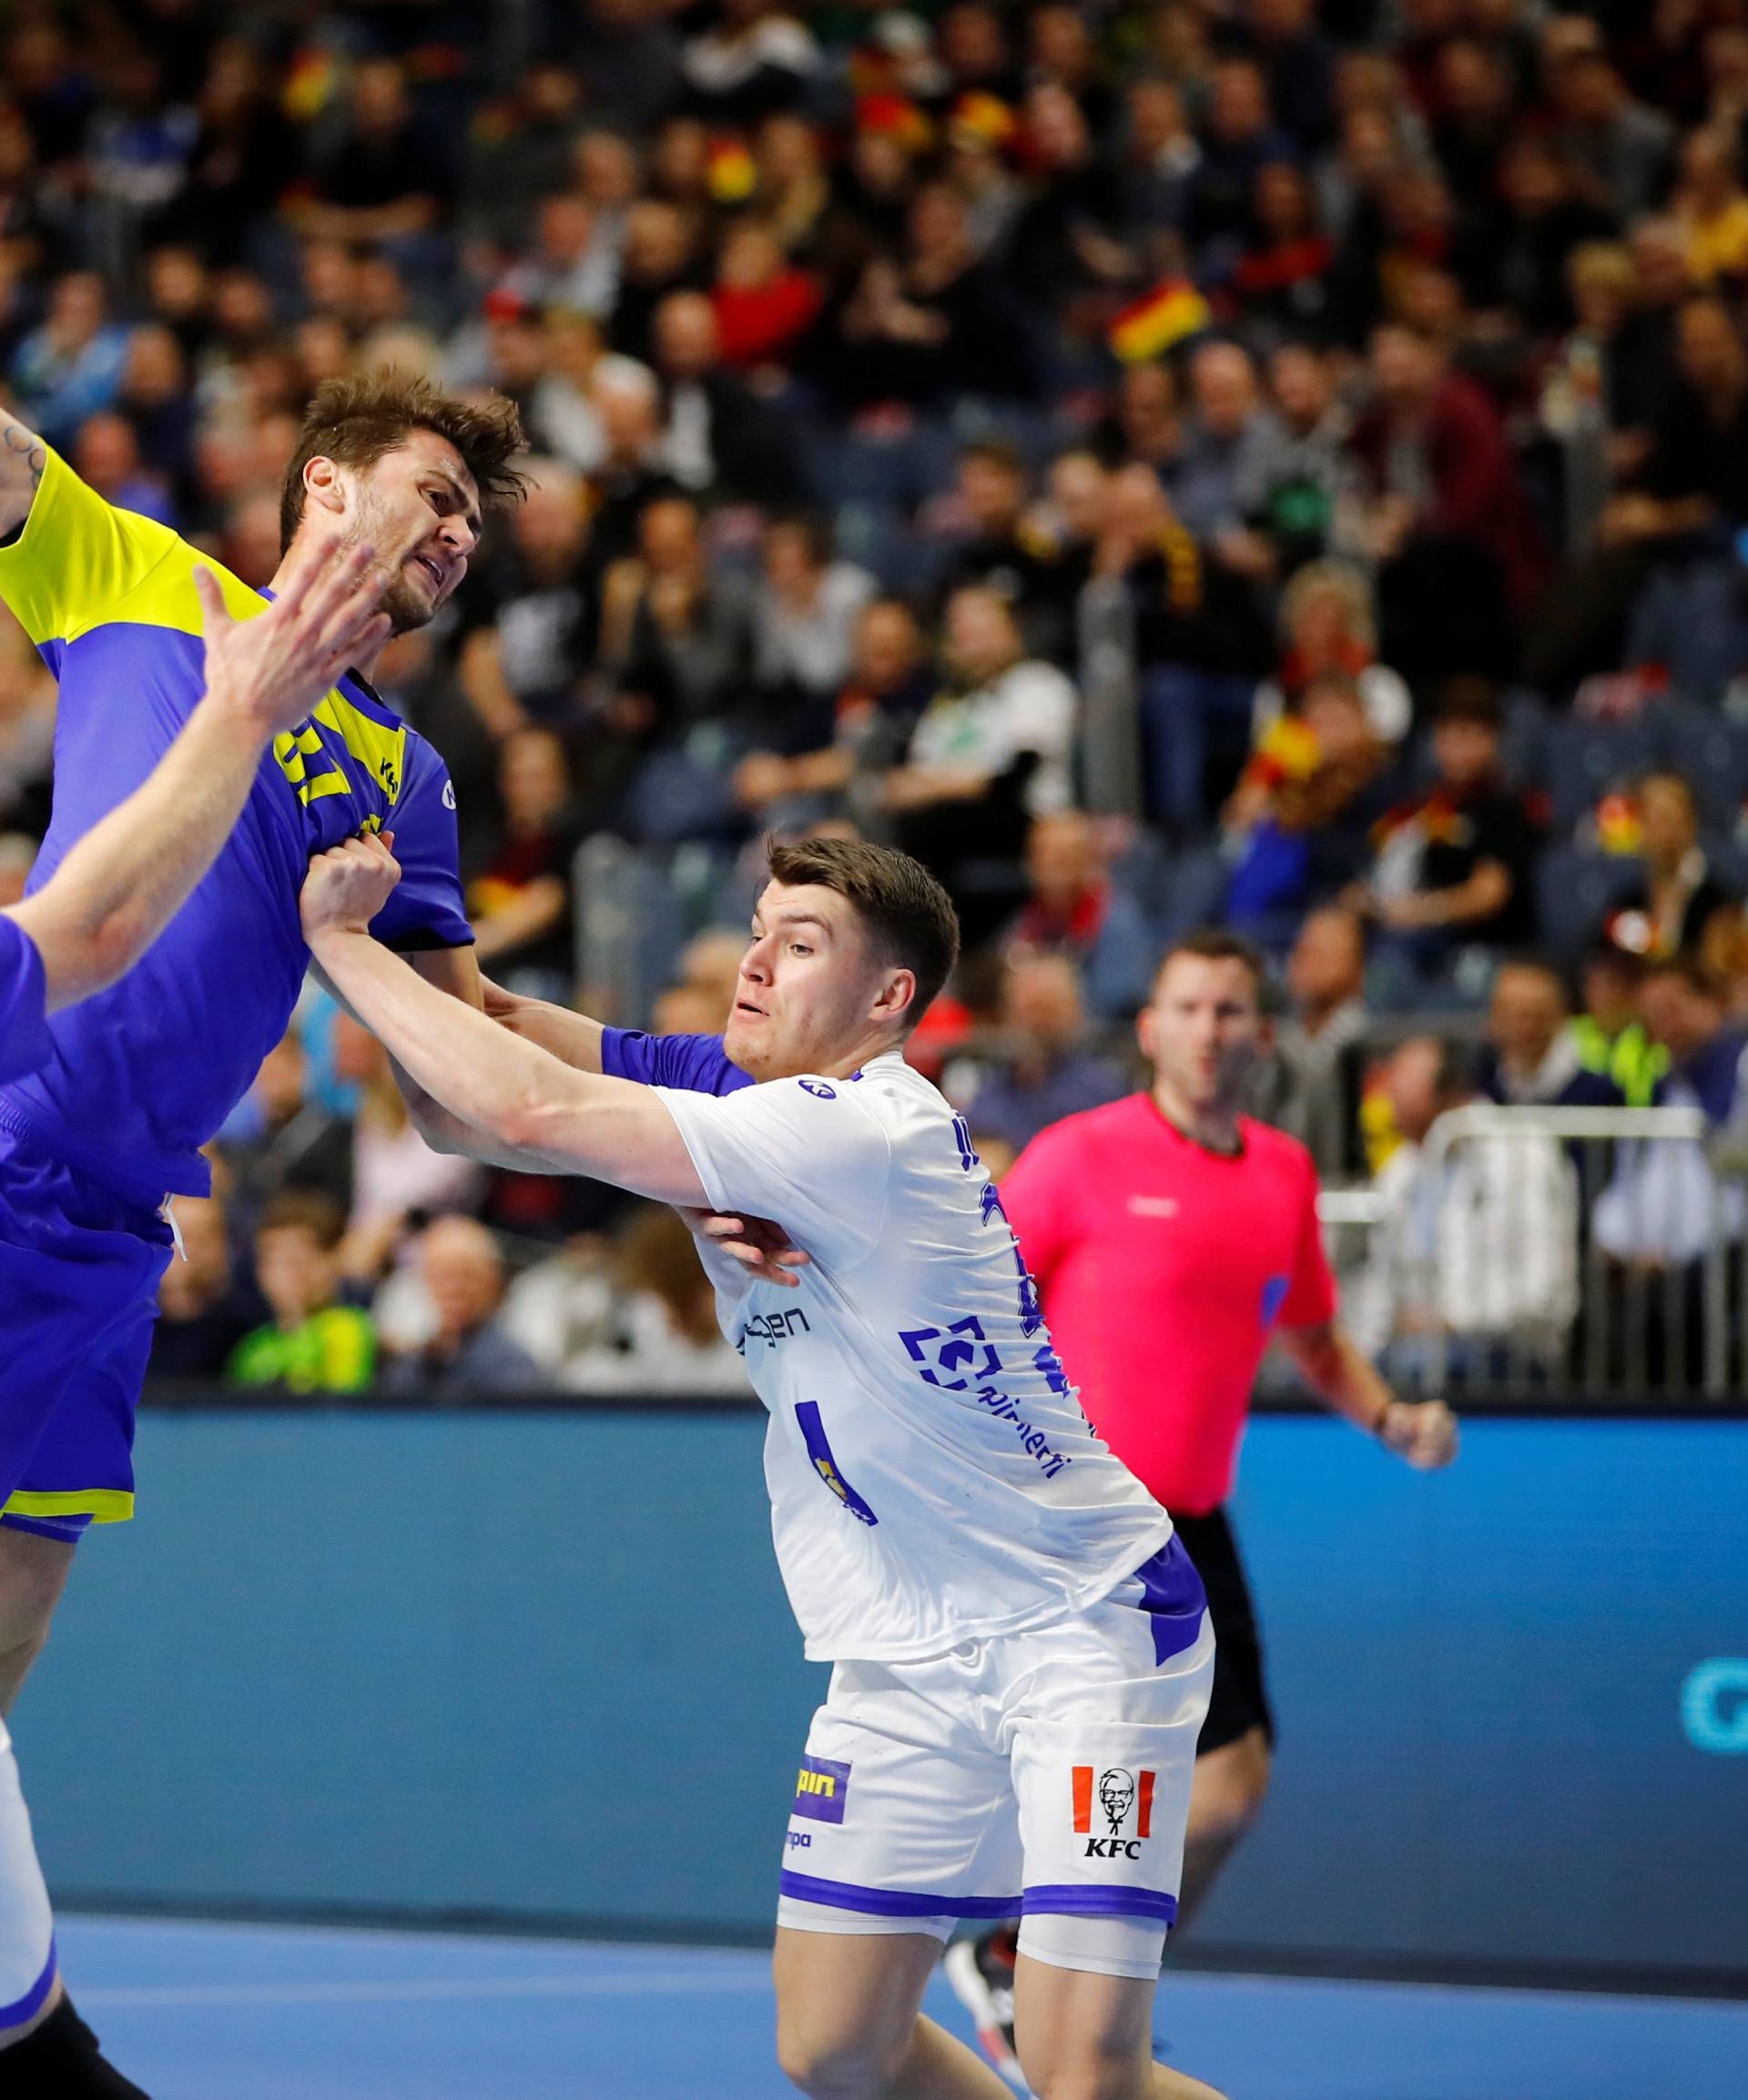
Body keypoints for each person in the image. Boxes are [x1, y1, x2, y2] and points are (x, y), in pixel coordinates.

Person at [302, 828, 1230, 2100]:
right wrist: (408, 873)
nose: (753, 963)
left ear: (885, 999)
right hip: (906, 1638)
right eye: (756, 930)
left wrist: (336, 938)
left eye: (800, 947)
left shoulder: (862, 1129)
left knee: (1086, 2073)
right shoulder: (732, 1092)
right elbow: (480, 1056)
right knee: (836, 2046)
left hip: (1081, 1623)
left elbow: (520, 1102)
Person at [0, 369, 523, 2096]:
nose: (455, 534)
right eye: (434, 490)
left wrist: (710, 1117)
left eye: (473, 523)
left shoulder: (405, 775)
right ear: (320, 486)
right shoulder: (140, 574)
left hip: (101, 1252)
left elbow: (465, 1080)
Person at [941, 931, 1458, 2087]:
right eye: (1190, 1005)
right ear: (1152, 1027)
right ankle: (1035, 1972)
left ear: (1259, 1034)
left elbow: (1315, 1337)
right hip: (1072, 1524)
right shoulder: (1079, 1156)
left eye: (1232, 1008)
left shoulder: (1282, 1173)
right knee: (1118, 1775)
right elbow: (969, 1296)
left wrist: (1391, 1419)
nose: (1212, 1027)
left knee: (1228, 1788)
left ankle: (1047, 1970)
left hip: (1192, 1524)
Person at [226, 1191, 377, 1395]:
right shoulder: (252, 1349)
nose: (292, 1275)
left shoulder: (351, 1329)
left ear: (331, 1262)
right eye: (277, 1262)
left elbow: (338, 1409)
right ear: (261, 1272)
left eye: (302, 1259)